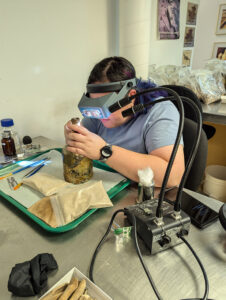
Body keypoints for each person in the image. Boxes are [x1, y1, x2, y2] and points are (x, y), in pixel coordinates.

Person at [64, 56, 185, 187]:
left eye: (106, 107)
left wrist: (104, 151)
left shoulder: (160, 111)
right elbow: (83, 147)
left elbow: (173, 176)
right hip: (109, 184)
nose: (99, 116)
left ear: (131, 96)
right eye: (95, 106)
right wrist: (75, 139)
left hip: (142, 192)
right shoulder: (99, 115)